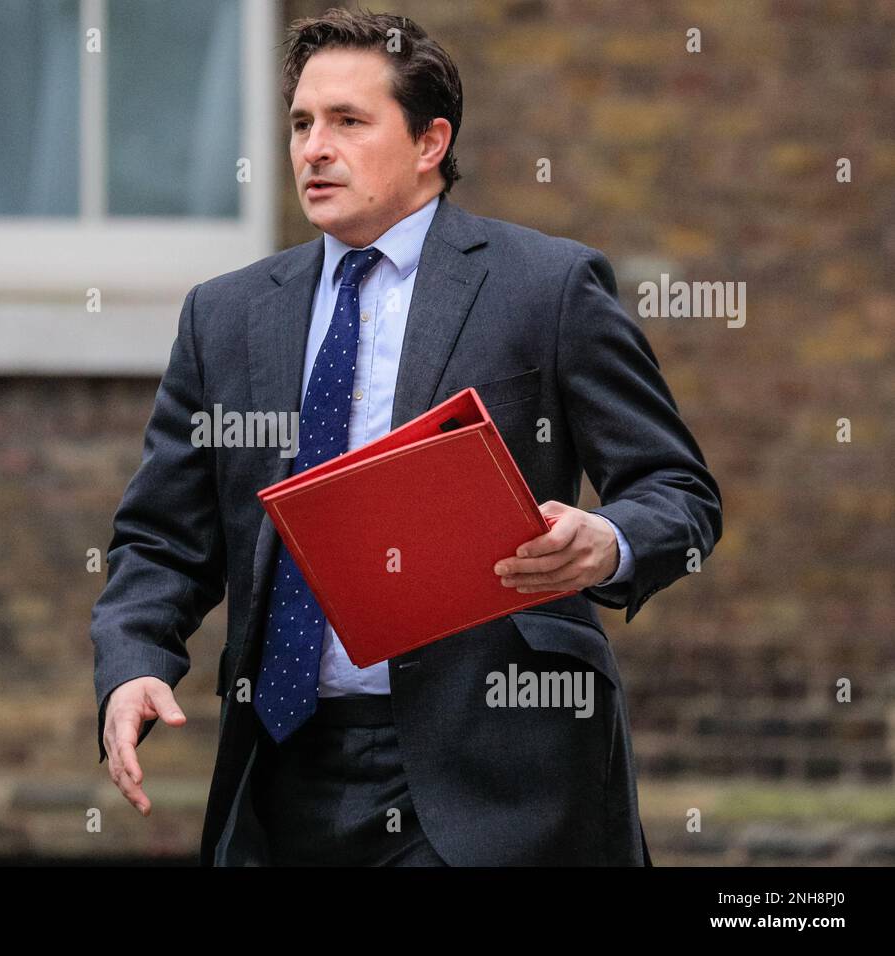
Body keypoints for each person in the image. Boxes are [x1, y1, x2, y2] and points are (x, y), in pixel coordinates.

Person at [91, 8, 721, 866]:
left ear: (430, 142)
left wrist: (605, 542)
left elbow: (680, 494)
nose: (315, 147)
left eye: (349, 121)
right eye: (303, 123)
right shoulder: (226, 314)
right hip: (283, 772)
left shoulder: (546, 286)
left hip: (495, 778)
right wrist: (133, 663)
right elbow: (164, 537)